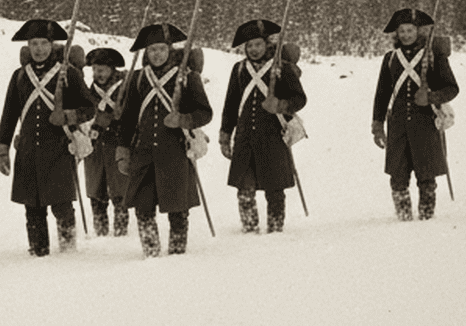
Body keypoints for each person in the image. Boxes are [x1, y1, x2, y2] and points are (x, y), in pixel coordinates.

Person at [0, 19, 93, 256]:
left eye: (43, 43)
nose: (39, 49)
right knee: (32, 207)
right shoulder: (19, 76)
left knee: (62, 206)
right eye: (34, 44)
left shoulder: (68, 73)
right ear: (28, 46)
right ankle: (38, 252)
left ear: (52, 45)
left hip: (59, 148)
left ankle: (68, 252)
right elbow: (9, 114)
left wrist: (68, 116)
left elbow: (89, 109)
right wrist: (2, 150)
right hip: (28, 150)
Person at [115, 23, 213, 257]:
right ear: (146, 53)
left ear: (170, 50)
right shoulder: (138, 78)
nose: (157, 54)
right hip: (143, 153)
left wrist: (183, 119)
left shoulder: (188, 77)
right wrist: (123, 151)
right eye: (152, 50)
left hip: (176, 152)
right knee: (143, 208)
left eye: (161, 49)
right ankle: (151, 252)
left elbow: (204, 113)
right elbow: (127, 119)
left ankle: (177, 253)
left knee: (178, 209)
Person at [219, 19, 307, 233]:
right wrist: (225, 135)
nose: (253, 49)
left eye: (258, 44)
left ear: (267, 44)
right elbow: (231, 104)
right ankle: (249, 229)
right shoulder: (239, 69)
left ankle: (275, 230)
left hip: (273, 137)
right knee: (244, 190)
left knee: (275, 190)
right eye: (249, 45)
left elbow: (299, 98)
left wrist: (280, 105)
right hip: (245, 138)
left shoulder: (282, 68)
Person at [371, 8, 458, 221]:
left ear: (418, 31)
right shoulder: (391, 58)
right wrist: (377, 124)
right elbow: (382, 94)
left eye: (410, 30)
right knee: (397, 176)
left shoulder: (433, 56)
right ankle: (403, 218)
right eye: (402, 31)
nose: (406, 35)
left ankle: (426, 217)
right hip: (398, 124)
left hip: (426, 123)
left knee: (426, 176)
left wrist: (430, 97)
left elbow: (451, 88)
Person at [82, 47, 130, 237]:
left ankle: (120, 233)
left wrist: (115, 119)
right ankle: (100, 233)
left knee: (120, 193)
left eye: (101, 70)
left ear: (111, 69)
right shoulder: (89, 91)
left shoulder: (124, 89)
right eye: (94, 69)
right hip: (94, 149)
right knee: (96, 193)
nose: (97, 74)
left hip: (116, 146)